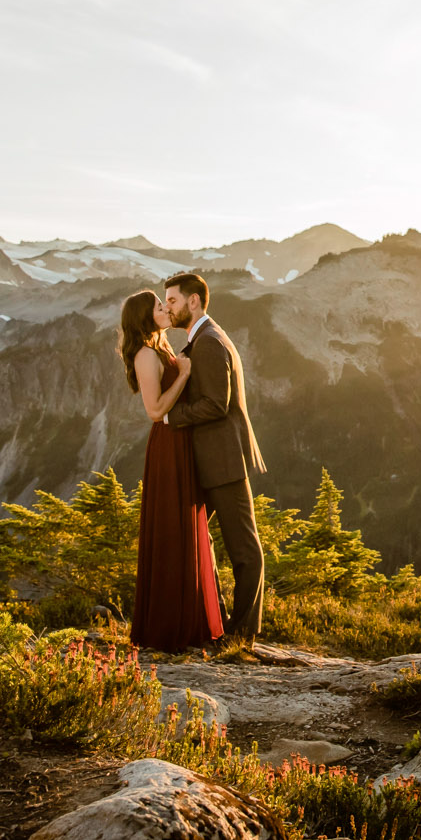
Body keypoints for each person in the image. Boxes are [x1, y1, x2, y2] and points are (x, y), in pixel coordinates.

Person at [161, 271, 268, 645]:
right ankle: (218, 621)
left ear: (193, 301)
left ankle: (243, 633)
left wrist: (172, 418)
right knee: (201, 541)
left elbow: (216, 405)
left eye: (172, 301)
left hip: (223, 460)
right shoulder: (204, 338)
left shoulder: (208, 342)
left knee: (244, 549)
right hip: (215, 459)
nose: (168, 308)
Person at [121, 289, 223, 651]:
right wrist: (183, 374)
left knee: (185, 527)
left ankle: (189, 620)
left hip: (180, 441)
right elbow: (155, 409)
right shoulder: (146, 355)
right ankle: (168, 627)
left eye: (165, 304)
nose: (166, 310)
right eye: (159, 307)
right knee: (170, 528)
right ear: (145, 317)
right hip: (167, 443)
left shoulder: (160, 347)